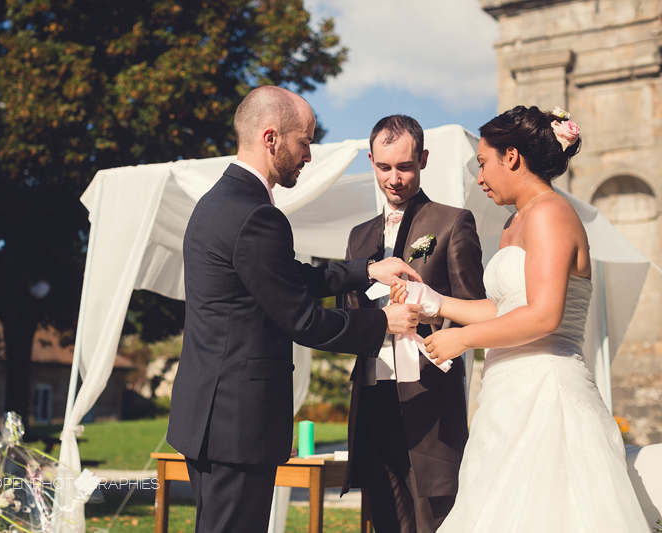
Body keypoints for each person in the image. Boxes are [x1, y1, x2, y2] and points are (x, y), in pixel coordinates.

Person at [166, 86, 423, 533]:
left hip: (209, 417)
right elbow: (301, 319)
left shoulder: (217, 203)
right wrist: (383, 321)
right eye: (304, 141)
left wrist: (367, 270)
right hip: (238, 424)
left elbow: (288, 279)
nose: (309, 154)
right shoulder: (256, 215)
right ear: (271, 138)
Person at [396, 105, 649, 531]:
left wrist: (463, 339)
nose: (479, 177)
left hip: (547, 392)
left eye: (483, 163)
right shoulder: (515, 223)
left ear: (511, 157)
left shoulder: (551, 213)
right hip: (505, 399)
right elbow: (505, 307)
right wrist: (434, 301)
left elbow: (544, 316)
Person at [341, 115, 487, 532]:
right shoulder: (357, 236)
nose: (394, 178)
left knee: (433, 519)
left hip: (429, 397)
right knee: (384, 517)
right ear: (371, 161)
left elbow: (474, 311)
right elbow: (349, 312)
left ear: (422, 160)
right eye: (384, 167)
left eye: (404, 166)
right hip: (371, 395)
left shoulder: (451, 222)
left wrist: (432, 313)